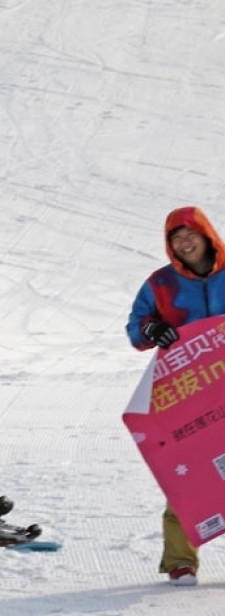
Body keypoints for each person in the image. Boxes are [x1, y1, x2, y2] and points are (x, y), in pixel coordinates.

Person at [126, 206, 225, 585]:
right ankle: (181, 561)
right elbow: (135, 326)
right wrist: (152, 330)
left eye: (189, 234)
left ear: (206, 234)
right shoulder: (161, 284)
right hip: (190, 390)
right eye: (175, 238)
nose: (184, 243)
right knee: (188, 472)